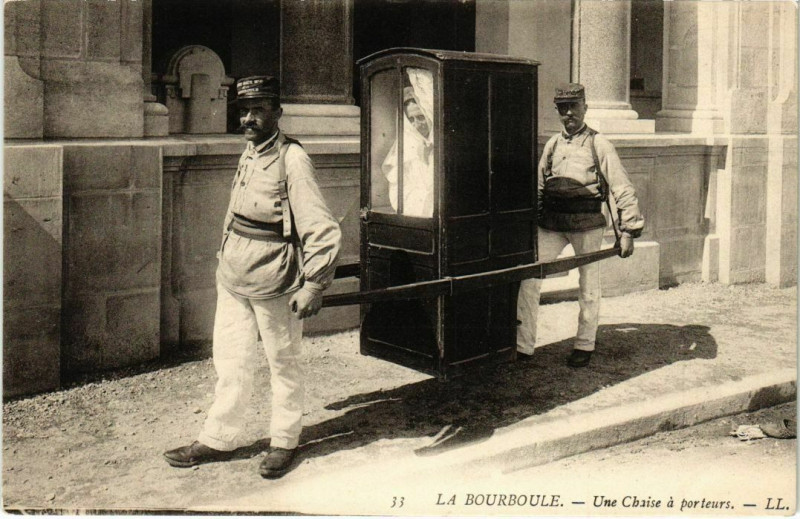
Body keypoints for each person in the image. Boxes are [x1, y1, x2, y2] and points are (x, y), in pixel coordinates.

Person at [163, 76, 341, 478]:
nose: (249, 118)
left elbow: (323, 228)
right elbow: (236, 212)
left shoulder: (292, 158)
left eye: (258, 110)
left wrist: (313, 284)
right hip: (234, 273)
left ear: (277, 112)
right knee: (230, 360)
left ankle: (284, 440)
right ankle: (218, 437)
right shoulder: (249, 150)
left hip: (275, 277)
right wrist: (224, 256)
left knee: (283, 361)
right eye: (244, 111)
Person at [517, 83, 644, 368]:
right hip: (552, 223)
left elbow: (622, 188)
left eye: (575, 107)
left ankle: (585, 344)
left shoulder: (599, 144)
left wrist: (628, 232)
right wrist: (532, 224)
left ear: (585, 107)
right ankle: (523, 344)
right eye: (563, 108)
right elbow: (538, 187)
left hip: (587, 224)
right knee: (529, 278)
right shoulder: (552, 145)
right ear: (559, 112)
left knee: (588, 284)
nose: (569, 113)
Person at [381, 86, 434, 217]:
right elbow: (398, 195)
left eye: (421, 117)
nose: (416, 124)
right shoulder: (404, 147)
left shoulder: (442, 141)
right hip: (416, 214)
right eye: (411, 119)